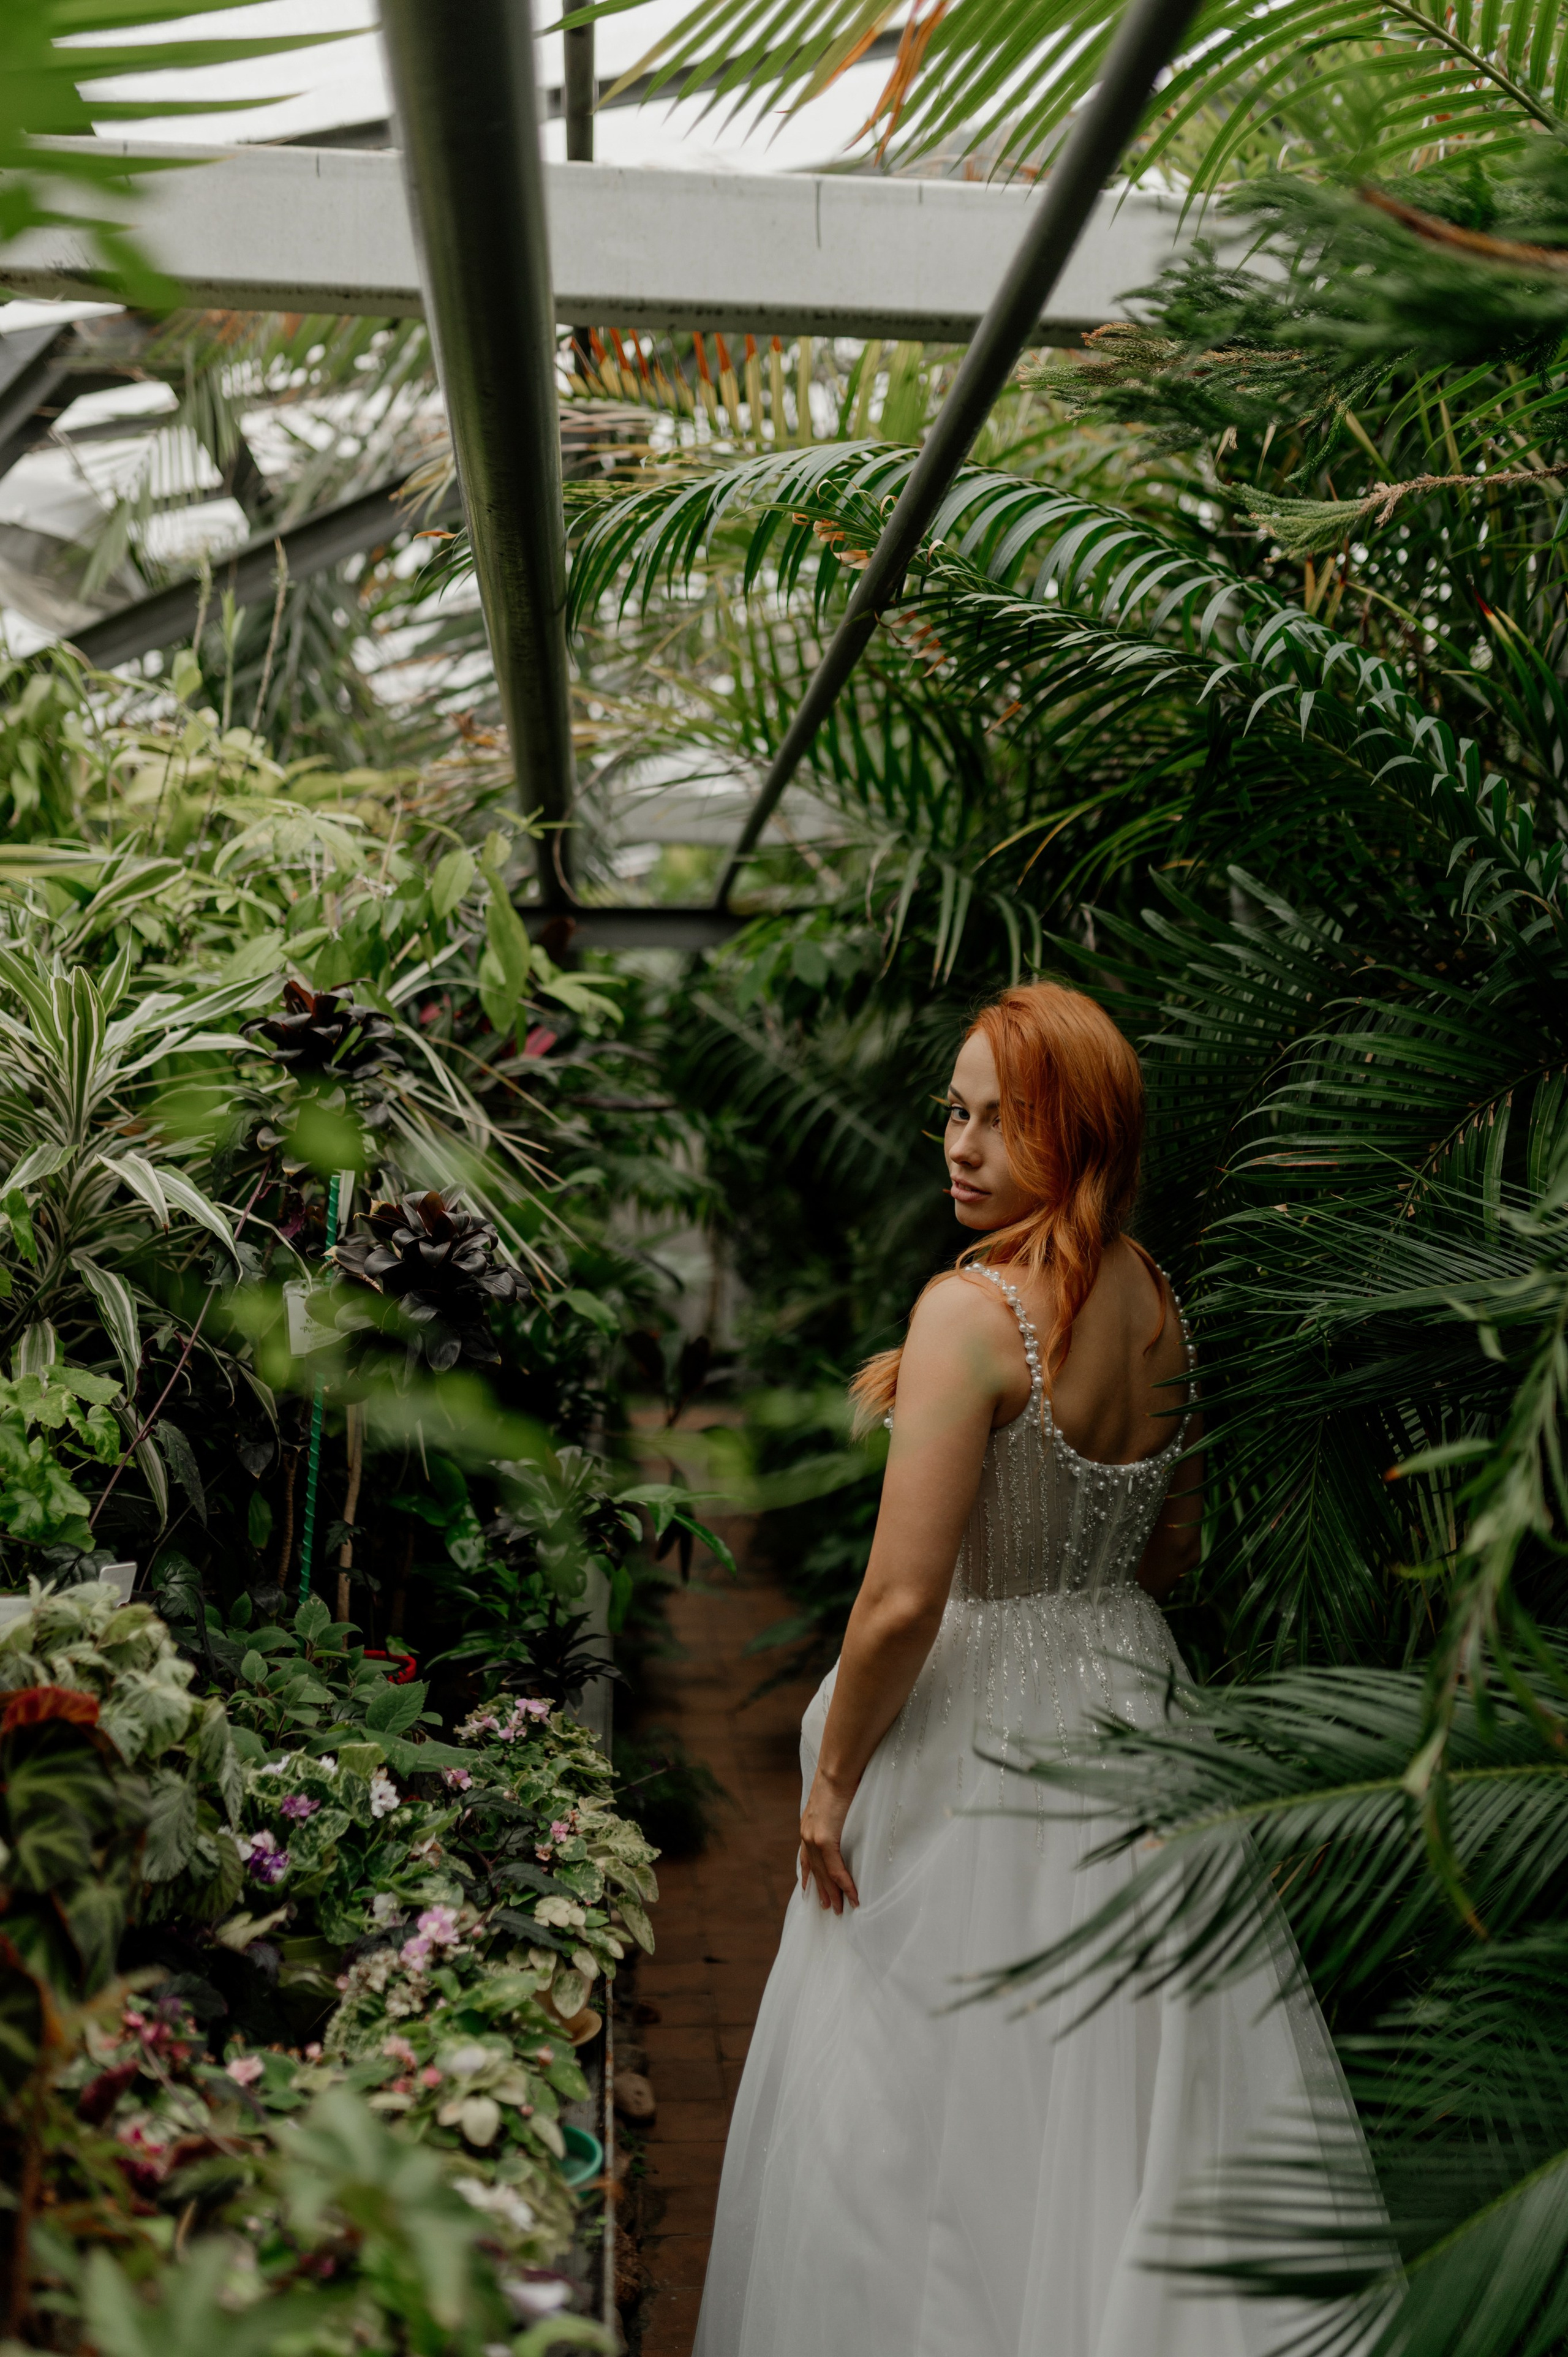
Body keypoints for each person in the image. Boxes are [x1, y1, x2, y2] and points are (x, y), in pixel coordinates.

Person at [693, 981, 1370, 2357]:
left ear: (1084, 1130)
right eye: (954, 1112)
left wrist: (831, 1782)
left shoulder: (970, 1310)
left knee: (918, 2096)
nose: (962, 1145)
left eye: (1004, 1120)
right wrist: (1084, 1610)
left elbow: (899, 1602)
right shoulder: (1157, 1302)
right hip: (1132, 1706)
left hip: (973, 1728)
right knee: (1138, 2079)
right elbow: (1172, 1548)